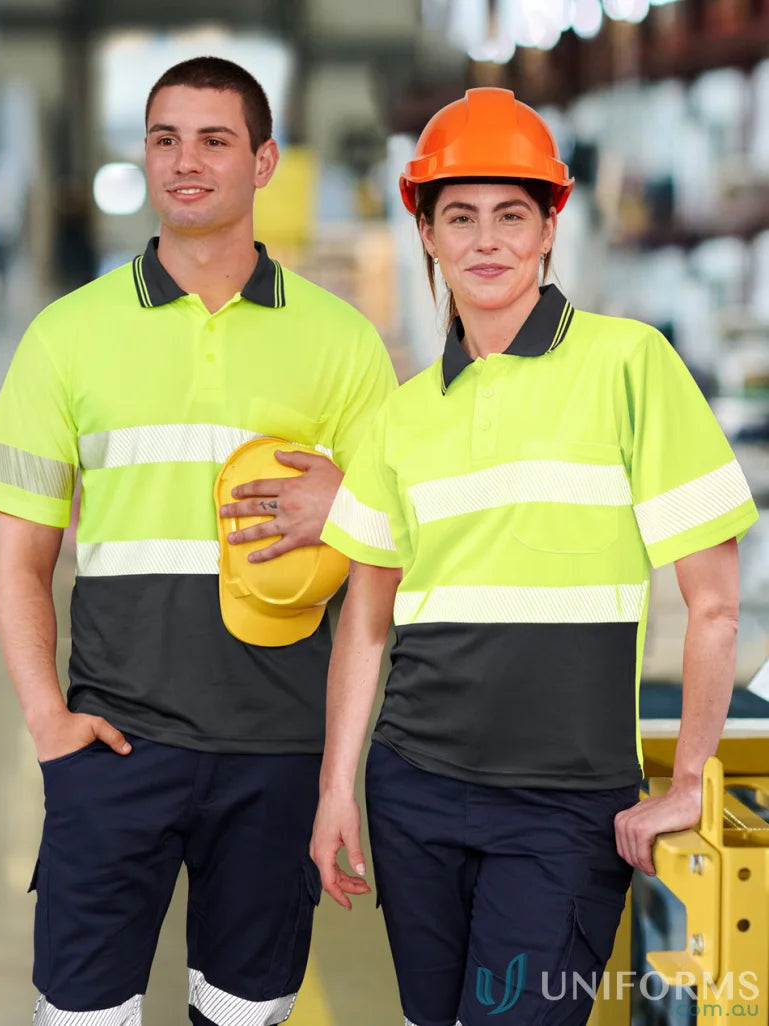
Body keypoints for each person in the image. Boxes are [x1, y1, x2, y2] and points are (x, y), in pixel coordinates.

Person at [311, 87, 758, 1026]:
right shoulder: (401, 414)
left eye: (512, 215)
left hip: (561, 808)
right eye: (459, 216)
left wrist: (686, 781)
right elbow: (365, 619)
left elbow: (715, 603)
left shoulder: (630, 365)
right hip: (413, 793)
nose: (486, 241)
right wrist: (335, 790)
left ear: (551, 225)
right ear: (424, 233)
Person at [0, 56, 394, 1026]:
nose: (185, 161)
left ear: (265, 160)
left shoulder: (342, 343)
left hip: (276, 753)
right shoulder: (64, 338)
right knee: (77, 1016)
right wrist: (47, 725)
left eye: (213, 139)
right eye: (164, 139)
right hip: (115, 748)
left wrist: (337, 777)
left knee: (245, 1013)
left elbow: (386, 567)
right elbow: (21, 565)